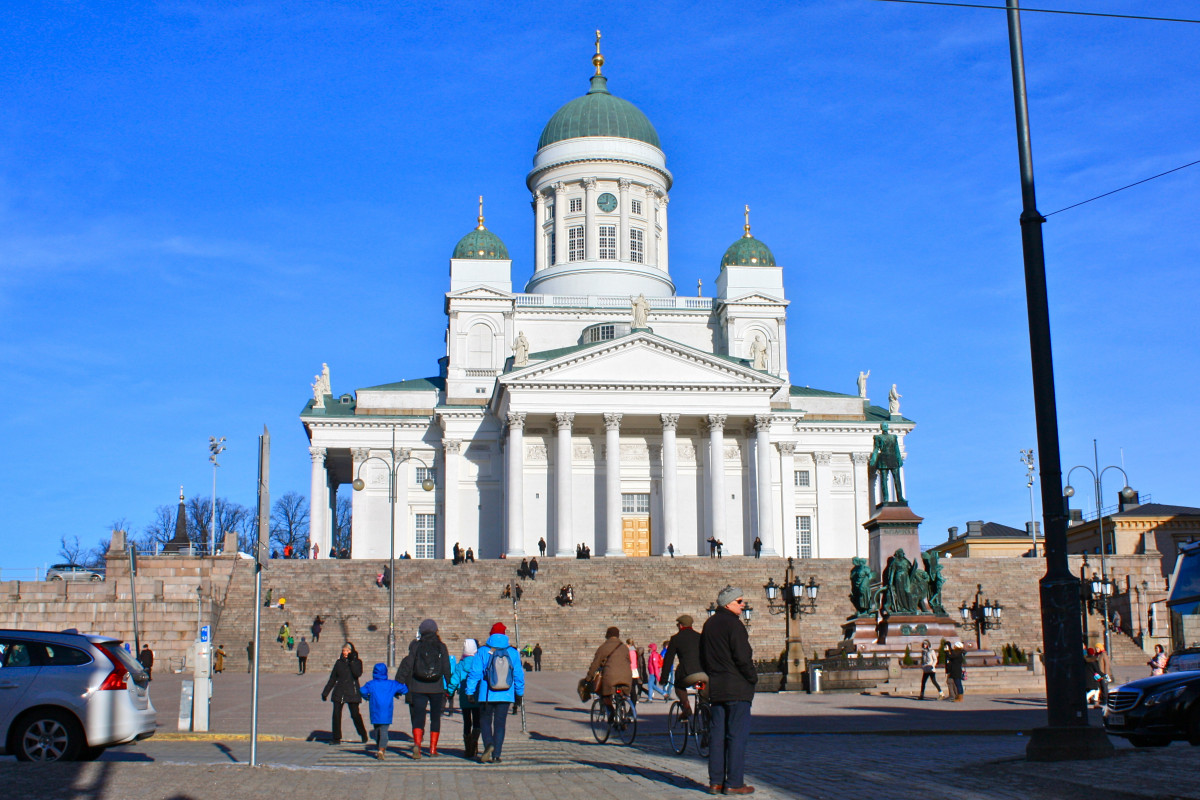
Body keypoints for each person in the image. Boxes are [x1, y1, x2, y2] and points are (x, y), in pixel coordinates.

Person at [700, 586, 757, 796]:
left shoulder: (709, 624)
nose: (743, 605)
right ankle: (733, 782)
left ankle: (715, 782)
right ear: (728, 604)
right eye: (739, 601)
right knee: (736, 736)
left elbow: (703, 657)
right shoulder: (734, 625)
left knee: (717, 736)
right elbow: (742, 657)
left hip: (717, 687)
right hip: (737, 687)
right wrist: (752, 678)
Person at [467, 622, 525, 764]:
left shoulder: (482, 651)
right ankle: (497, 755)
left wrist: (470, 691)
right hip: (506, 694)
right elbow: (518, 674)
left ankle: (488, 744)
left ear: (491, 634)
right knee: (500, 724)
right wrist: (519, 693)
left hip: (486, 695)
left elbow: (475, 673)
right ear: (505, 635)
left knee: (485, 721)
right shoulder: (512, 652)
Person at [396, 619, 452, 759]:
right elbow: (446, 666)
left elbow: (408, 664)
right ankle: (432, 749)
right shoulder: (441, 646)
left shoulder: (416, 645)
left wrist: (399, 683)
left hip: (418, 686)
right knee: (435, 718)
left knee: (419, 717)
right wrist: (450, 685)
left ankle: (418, 746)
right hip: (436, 687)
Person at [322, 642, 369, 745]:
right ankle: (336, 737)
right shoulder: (339, 662)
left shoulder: (357, 662)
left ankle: (363, 734)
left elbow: (357, 673)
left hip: (352, 691)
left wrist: (352, 661)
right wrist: (326, 692)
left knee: (355, 714)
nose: (345, 653)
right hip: (340, 691)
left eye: (347, 651)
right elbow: (333, 678)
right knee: (336, 715)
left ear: (352, 651)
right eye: (344, 650)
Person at [360, 662, 408, 760]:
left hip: (375, 709)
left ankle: (379, 746)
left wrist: (367, 697)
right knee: (384, 730)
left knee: (377, 729)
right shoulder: (391, 684)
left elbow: (362, 690)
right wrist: (397, 692)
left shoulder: (371, 684)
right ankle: (381, 749)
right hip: (386, 710)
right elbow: (404, 689)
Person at [585, 626, 632, 718]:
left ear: (607, 635)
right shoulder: (624, 647)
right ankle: (622, 713)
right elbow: (629, 661)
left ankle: (611, 712)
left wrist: (588, 678)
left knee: (604, 694)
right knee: (621, 694)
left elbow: (595, 664)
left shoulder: (603, 647)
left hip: (610, 677)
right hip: (626, 677)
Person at [448, 638, 482, 758]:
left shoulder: (461, 664)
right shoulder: (479, 662)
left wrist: (449, 692)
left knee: (467, 722)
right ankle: (475, 742)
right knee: (477, 721)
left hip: (464, 697)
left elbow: (454, 680)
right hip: (478, 696)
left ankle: (468, 748)